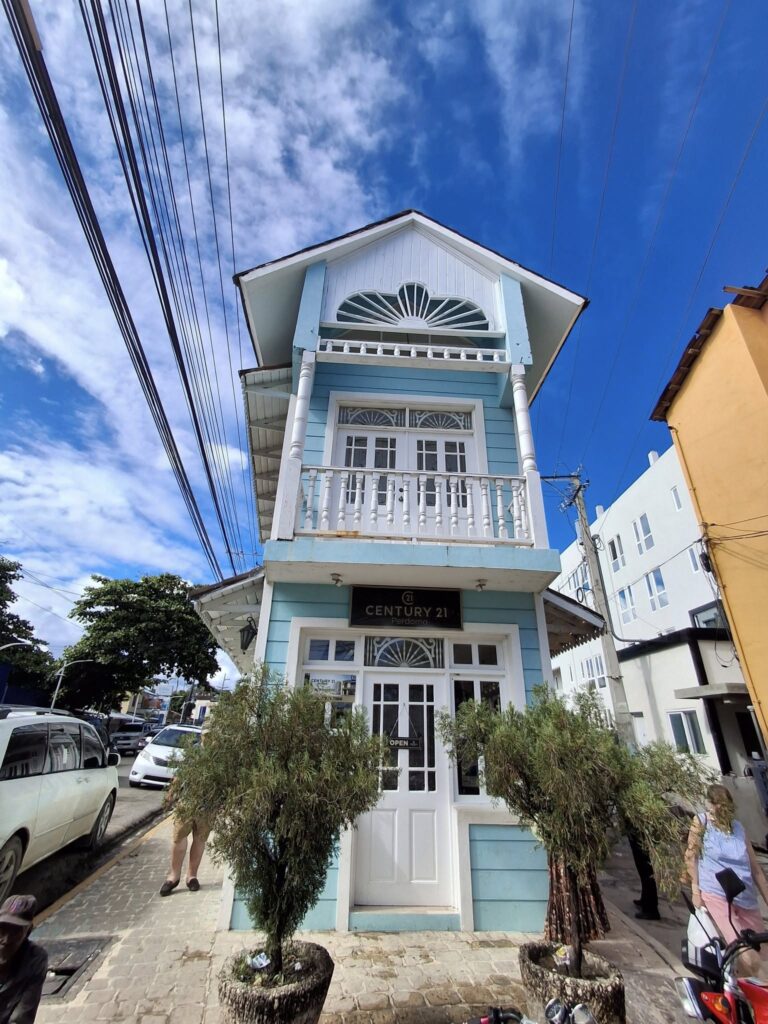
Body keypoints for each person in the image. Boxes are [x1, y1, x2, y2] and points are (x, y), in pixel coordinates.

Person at [686, 783, 768, 974]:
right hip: (716, 894)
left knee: (759, 953)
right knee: (744, 951)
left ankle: (741, 991)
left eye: (725, 805)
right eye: (717, 804)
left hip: (745, 897)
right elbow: (691, 856)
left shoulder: (738, 828)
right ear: (709, 804)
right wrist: (695, 889)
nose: (721, 809)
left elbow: (755, 869)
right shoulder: (701, 822)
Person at [159, 723, 211, 897]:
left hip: (209, 804)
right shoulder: (194, 752)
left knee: (200, 839)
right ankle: (173, 876)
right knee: (179, 837)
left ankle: (192, 876)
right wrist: (171, 795)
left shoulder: (222, 755)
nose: (210, 738)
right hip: (188, 801)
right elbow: (180, 775)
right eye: (207, 735)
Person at [0, 894, 48, 1024]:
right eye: (2, 929)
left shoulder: (36, 959)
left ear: (28, 931)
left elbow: (23, 1014)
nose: (6, 939)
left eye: (15, 932)